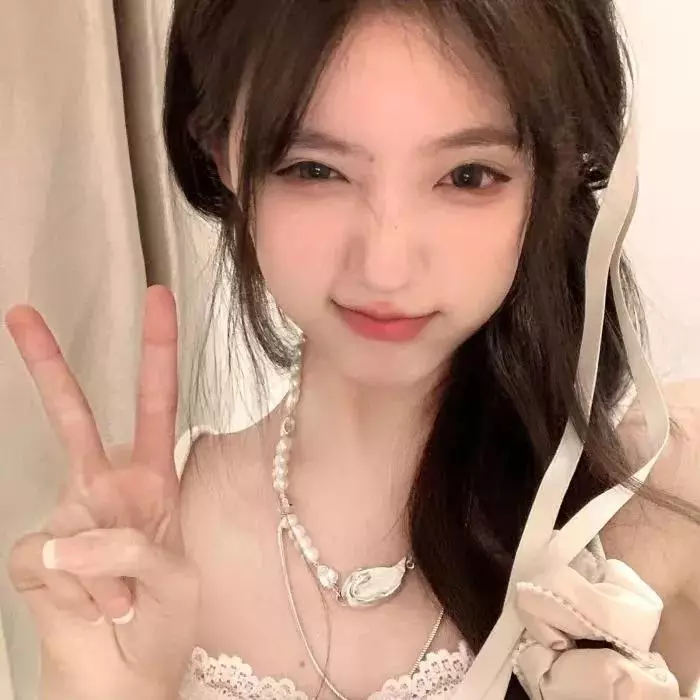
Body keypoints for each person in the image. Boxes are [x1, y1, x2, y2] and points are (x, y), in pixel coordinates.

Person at [4, 0, 700, 699]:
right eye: (315, 170)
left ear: (554, 175)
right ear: (221, 154)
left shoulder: (653, 515)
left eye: (468, 175)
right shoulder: (138, 546)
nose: (385, 268)